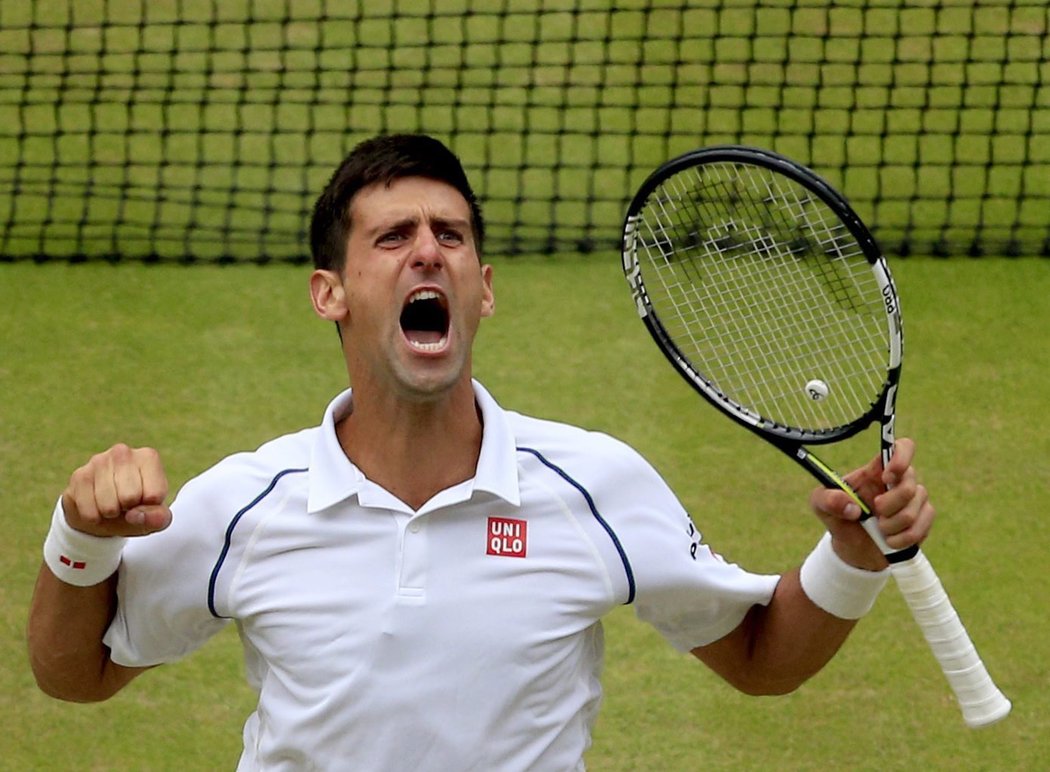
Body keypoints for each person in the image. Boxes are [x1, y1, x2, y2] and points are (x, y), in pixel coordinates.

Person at [27, 133, 934, 771]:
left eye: (450, 237)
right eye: (392, 238)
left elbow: (759, 658)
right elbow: (73, 674)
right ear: (329, 294)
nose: (428, 253)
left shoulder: (595, 486)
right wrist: (82, 539)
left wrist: (851, 556)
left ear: (483, 290)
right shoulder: (247, 505)